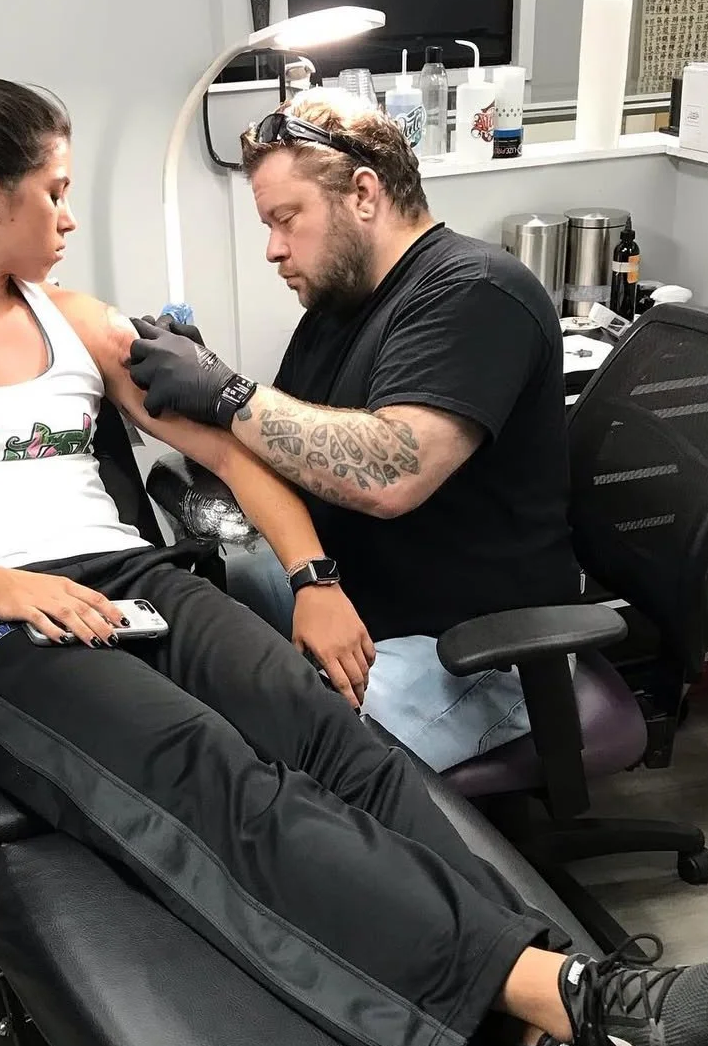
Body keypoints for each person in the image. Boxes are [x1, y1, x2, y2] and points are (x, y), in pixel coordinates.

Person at [0, 66, 708, 1046]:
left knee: (334, 737)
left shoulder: (82, 323)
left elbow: (229, 449)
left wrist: (312, 577)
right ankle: (577, 1000)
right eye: (53, 193)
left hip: (129, 573)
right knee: (213, 772)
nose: (67, 218)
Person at [128, 90, 584, 772]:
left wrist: (227, 393)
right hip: (361, 605)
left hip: (477, 653)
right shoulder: (341, 304)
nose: (273, 250)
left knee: (266, 778)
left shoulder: (475, 292)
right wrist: (203, 395)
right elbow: (302, 452)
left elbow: (391, 471)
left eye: (286, 219)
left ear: (364, 194)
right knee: (176, 674)